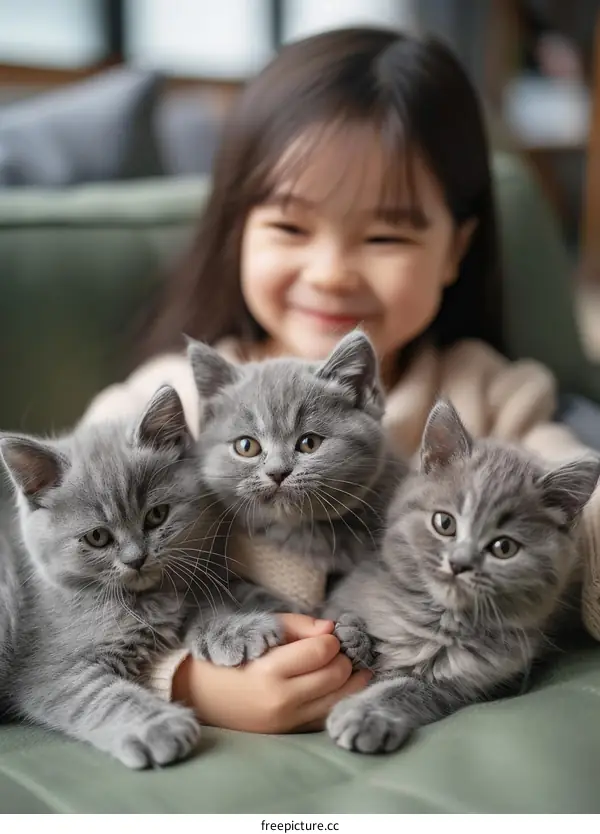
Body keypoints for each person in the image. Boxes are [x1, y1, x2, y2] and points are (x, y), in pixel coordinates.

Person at [85, 26, 600, 734]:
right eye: (292, 229)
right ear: (239, 228)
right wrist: (183, 681)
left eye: (385, 236)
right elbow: (68, 547)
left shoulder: (483, 390)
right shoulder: (177, 395)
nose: (331, 272)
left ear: (456, 249)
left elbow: (575, 503)